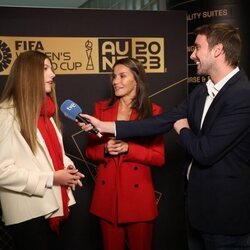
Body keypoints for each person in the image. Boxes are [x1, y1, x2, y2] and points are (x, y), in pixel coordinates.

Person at [79, 23, 250, 250]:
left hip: (225, 216)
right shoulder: (201, 91)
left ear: (217, 50)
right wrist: (105, 125)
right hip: (198, 211)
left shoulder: (243, 95)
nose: (192, 54)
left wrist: (182, 128)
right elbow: (159, 122)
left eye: (197, 48)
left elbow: (205, 152)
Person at [0, 50, 84, 250]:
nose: (53, 74)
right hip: (28, 215)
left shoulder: (46, 112)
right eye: (45, 68)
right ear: (29, 74)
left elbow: (49, 155)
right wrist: (51, 178)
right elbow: (2, 171)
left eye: (51, 68)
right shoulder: (6, 114)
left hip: (54, 206)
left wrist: (68, 168)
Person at [83, 57, 165, 250]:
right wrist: (104, 149)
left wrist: (130, 149)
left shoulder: (153, 111)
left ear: (136, 79)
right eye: (113, 76)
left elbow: (159, 157)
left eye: (122, 76)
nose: (114, 81)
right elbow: (89, 152)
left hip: (139, 200)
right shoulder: (101, 108)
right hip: (107, 199)